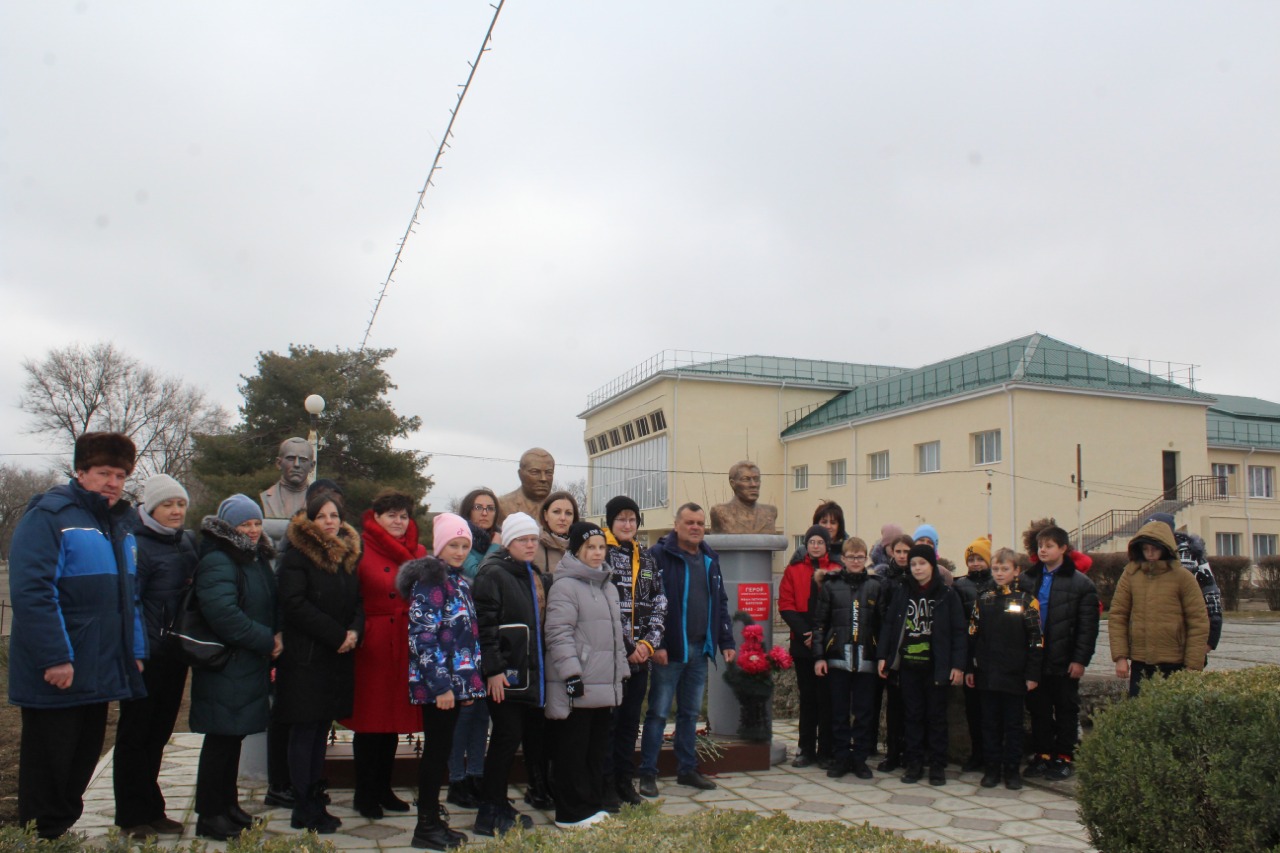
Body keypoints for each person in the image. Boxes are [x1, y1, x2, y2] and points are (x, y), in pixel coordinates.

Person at [8, 433, 146, 840]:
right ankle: (38, 839)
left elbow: (129, 597)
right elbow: (32, 592)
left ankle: (60, 832)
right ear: (80, 472)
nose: (113, 482)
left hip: (100, 668)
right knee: (49, 764)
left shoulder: (118, 526)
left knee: (81, 761)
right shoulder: (49, 517)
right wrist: (54, 657)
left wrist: (133, 651)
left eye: (120, 475)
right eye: (104, 472)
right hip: (60, 670)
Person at [190, 494, 280, 841]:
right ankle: (209, 815)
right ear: (230, 527)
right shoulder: (220, 560)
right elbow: (223, 615)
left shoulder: (253, 558)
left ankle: (227, 806)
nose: (254, 530)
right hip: (226, 664)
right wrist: (266, 639)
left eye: (257, 523)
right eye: (246, 524)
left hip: (245, 663)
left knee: (233, 738)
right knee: (220, 740)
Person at [113, 474, 198, 837]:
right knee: (135, 734)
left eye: (180, 504)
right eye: (168, 504)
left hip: (174, 654)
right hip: (145, 654)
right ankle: (131, 816)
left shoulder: (185, 542)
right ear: (151, 508)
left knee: (159, 733)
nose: (176, 510)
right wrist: (134, 649)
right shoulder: (136, 544)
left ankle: (153, 807)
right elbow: (128, 601)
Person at [275, 492, 364, 833]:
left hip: (336, 658)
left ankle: (315, 798)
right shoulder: (298, 554)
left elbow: (357, 599)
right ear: (310, 521)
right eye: (322, 515)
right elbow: (294, 603)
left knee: (320, 732)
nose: (330, 521)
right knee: (304, 730)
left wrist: (355, 630)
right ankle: (303, 804)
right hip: (306, 658)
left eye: (335, 515)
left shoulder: (346, 555)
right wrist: (336, 634)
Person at [637, 503, 736, 797]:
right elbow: (646, 601)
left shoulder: (709, 558)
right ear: (676, 524)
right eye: (689, 522)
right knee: (657, 713)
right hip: (669, 651)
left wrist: (726, 642)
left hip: (699, 649)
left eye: (700, 523)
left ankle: (686, 769)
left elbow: (720, 603)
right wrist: (657, 644)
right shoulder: (657, 555)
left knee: (690, 714)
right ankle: (648, 773)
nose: (695, 527)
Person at [400, 514, 486, 850]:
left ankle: (434, 819)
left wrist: (468, 686)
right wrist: (443, 687)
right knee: (436, 754)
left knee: (443, 750)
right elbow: (423, 637)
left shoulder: (459, 581)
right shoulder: (431, 581)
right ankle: (426, 826)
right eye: (454, 544)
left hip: (457, 684)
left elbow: (467, 637)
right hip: (439, 687)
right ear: (440, 545)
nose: (460, 551)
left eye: (465, 545)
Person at [341, 489, 425, 819]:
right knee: (369, 722)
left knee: (392, 722)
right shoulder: (359, 549)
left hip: (404, 643)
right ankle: (365, 793)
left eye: (403, 516)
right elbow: (350, 596)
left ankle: (384, 787)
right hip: (373, 644)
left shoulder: (417, 551)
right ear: (376, 517)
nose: (398, 521)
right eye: (391, 514)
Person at [544, 522, 628, 829]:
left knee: (595, 750)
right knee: (572, 751)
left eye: (600, 547)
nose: (596, 553)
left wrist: (622, 672)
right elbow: (558, 633)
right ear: (577, 551)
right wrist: (571, 674)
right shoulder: (565, 586)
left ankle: (590, 806)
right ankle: (570, 812)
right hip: (577, 685)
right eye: (589, 547)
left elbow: (616, 636)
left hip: (604, 683)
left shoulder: (607, 585)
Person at [471, 512, 547, 837]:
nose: (530, 545)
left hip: (525, 673)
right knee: (504, 740)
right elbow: (485, 627)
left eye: (533, 539)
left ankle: (498, 802)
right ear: (510, 542)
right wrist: (493, 670)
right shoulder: (493, 574)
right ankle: (488, 812)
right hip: (504, 676)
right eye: (522, 540)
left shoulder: (528, 572)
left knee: (511, 738)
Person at [878, 544, 965, 786]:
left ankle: (937, 766)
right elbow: (889, 625)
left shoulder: (947, 594)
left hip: (936, 667)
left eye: (922, 564)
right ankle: (914, 764)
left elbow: (959, 632)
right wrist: (883, 657)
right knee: (912, 717)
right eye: (914, 564)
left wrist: (957, 665)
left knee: (936, 718)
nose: (917, 568)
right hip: (908, 666)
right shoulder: (903, 591)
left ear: (932, 566)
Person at [1018, 525, 1099, 781]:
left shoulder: (1081, 584)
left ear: (1063, 549)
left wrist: (1080, 659)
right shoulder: (1028, 579)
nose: (1043, 550)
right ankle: (1042, 754)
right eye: (1040, 546)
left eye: (1049, 546)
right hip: (1034, 657)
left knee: (1065, 708)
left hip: (1063, 658)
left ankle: (1064, 757)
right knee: (1038, 708)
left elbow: (1088, 627)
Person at [601, 495, 667, 809]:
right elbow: (602, 606)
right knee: (610, 725)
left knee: (630, 723)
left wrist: (647, 644)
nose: (627, 525)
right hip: (613, 657)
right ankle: (606, 786)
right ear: (611, 522)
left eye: (632, 519)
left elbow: (659, 602)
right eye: (621, 519)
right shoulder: (601, 554)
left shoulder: (648, 558)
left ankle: (625, 782)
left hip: (641, 658)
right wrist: (627, 647)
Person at [966, 547, 1042, 790]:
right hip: (988, 674)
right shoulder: (984, 598)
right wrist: (970, 668)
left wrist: (1032, 674)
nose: (999, 573)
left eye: (1005, 569)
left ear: (1016, 571)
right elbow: (972, 635)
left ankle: (1012, 771)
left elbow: (1036, 639)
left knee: (1013, 725)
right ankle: (991, 770)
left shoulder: (1027, 601)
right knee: (989, 723)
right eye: (996, 569)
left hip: (1015, 675)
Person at [447, 488, 503, 808]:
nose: (484, 513)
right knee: (463, 716)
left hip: (489, 639)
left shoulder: (495, 544)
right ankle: (457, 778)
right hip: (463, 642)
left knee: (482, 715)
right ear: (468, 511)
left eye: (490, 508)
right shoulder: (462, 545)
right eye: (478, 507)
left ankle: (477, 774)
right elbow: (479, 577)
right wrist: (495, 549)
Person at [1109, 521, 1210, 697]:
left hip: (1174, 662)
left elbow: (1198, 621)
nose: (1149, 553)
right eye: (1145, 548)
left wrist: (1193, 665)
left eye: (1154, 548)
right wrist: (1120, 657)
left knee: (1172, 718)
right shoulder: (1130, 575)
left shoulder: (1183, 577)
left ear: (1166, 548)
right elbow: (1118, 616)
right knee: (1139, 715)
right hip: (1140, 661)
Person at [812, 537, 885, 780]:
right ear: (842, 559)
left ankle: (860, 759)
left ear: (866, 559)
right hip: (837, 658)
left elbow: (883, 626)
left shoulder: (876, 586)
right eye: (851, 557)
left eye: (860, 557)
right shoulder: (831, 586)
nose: (855, 561)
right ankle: (841, 757)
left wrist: (882, 656)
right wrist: (819, 656)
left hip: (867, 659)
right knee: (839, 712)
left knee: (864, 713)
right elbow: (820, 624)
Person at [779, 524, 840, 768]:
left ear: (827, 545)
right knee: (808, 699)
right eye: (811, 541)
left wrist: (821, 635)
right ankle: (805, 749)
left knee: (827, 699)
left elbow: (841, 606)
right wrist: (806, 632)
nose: (816, 546)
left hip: (828, 643)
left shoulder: (836, 570)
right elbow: (786, 604)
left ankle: (826, 749)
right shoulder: (793, 570)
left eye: (820, 542)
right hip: (802, 643)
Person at [1145, 512, 1223, 663]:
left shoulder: (1191, 559)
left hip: (1185, 646)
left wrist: (1209, 642)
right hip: (1149, 650)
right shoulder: (1141, 558)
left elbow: (1212, 598)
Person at [952, 536, 995, 773]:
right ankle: (977, 753)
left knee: (992, 711)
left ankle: (992, 756)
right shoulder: (960, 587)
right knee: (974, 711)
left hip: (992, 657)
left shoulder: (997, 585)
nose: (976, 563)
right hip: (971, 655)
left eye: (980, 559)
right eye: (972, 559)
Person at [873, 533, 914, 771]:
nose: (901, 556)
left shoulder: (916, 578)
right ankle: (893, 753)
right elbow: (881, 616)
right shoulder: (884, 578)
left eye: (906, 552)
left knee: (912, 706)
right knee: (893, 706)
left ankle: (911, 752)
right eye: (898, 551)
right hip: (891, 646)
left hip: (912, 646)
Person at [709, 460, 778, 533]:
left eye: (756, 479)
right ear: (733, 483)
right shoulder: (720, 512)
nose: (753, 484)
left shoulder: (770, 512)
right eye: (746, 479)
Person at [260, 437, 317, 519]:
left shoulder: (319, 500)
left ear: (312, 466)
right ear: (279, 463)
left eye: (303, 460)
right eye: (290, 458)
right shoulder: (264, 498)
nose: (296, 464)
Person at [497, 448, 556, 519]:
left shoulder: (561, 507)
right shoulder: (501, 506)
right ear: (520, 474)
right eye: (535, 472)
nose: (543, 478)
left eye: (548, 472)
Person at [786, 501, 848, 566]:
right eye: (824, 522)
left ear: (839, 526)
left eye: (833, 523)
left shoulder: (848, 551)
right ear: (816, 524)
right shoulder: (802, 552)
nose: (828, 526)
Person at [534, 490, 579, 575]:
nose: (563, 518)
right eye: (556, 512)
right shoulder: (533, 546)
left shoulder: (582, 547)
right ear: (546, 515)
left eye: (568, 513)